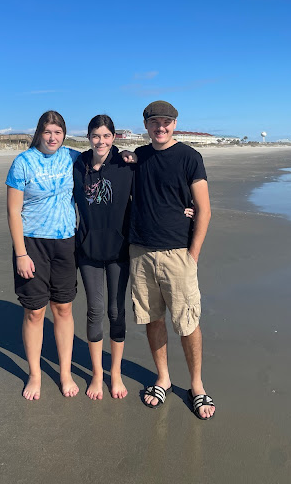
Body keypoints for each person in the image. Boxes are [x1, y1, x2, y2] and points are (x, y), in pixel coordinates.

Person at [129, 100, 215, 419]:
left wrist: (192, 255)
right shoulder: (136, 157)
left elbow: (204, 209)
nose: (160, 127)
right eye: (154, 122)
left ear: (174, 124)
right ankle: (163, 378)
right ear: (146, 125)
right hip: (140, 252)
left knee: (188, 322)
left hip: (178, 253)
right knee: (153, 318)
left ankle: (196, 385)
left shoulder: (190, 157)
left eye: (166, 122)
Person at [6, 110, 80, 401]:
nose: (53, 138)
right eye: (48, 132)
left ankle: (64, 373)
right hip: (32, 244)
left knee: (63, 309)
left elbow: (103, 156)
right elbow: (13, 211)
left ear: (64, 134)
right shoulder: (23, 162)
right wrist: (21, 254)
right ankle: (35, 374)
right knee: (35, 311)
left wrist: (127, 154)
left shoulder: (72, 157)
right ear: (39, 133)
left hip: (65, 242)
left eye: (58, 133)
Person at [73, 115, 134, 400]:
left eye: (106, 136)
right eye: (96, 136)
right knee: (95, 310)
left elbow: (157, 187)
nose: (101, 141)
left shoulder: (126, 165)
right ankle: (98, 374)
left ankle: (117, 374)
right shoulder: (78, 165)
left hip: (119, 251)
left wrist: (186, 208)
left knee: (116, 311)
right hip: (88, 251)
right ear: (89, 137)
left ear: (114, 137)